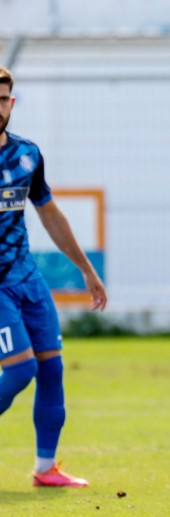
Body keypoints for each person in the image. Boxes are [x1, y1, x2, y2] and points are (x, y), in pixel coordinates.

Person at [0, 66, 107, 487]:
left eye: (5, 98)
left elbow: (48, 213)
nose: (0, 106)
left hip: (27, 278)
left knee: (51, 369)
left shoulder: (27, 154)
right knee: (20, 369)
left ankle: (46, 468)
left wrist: (86, 268)